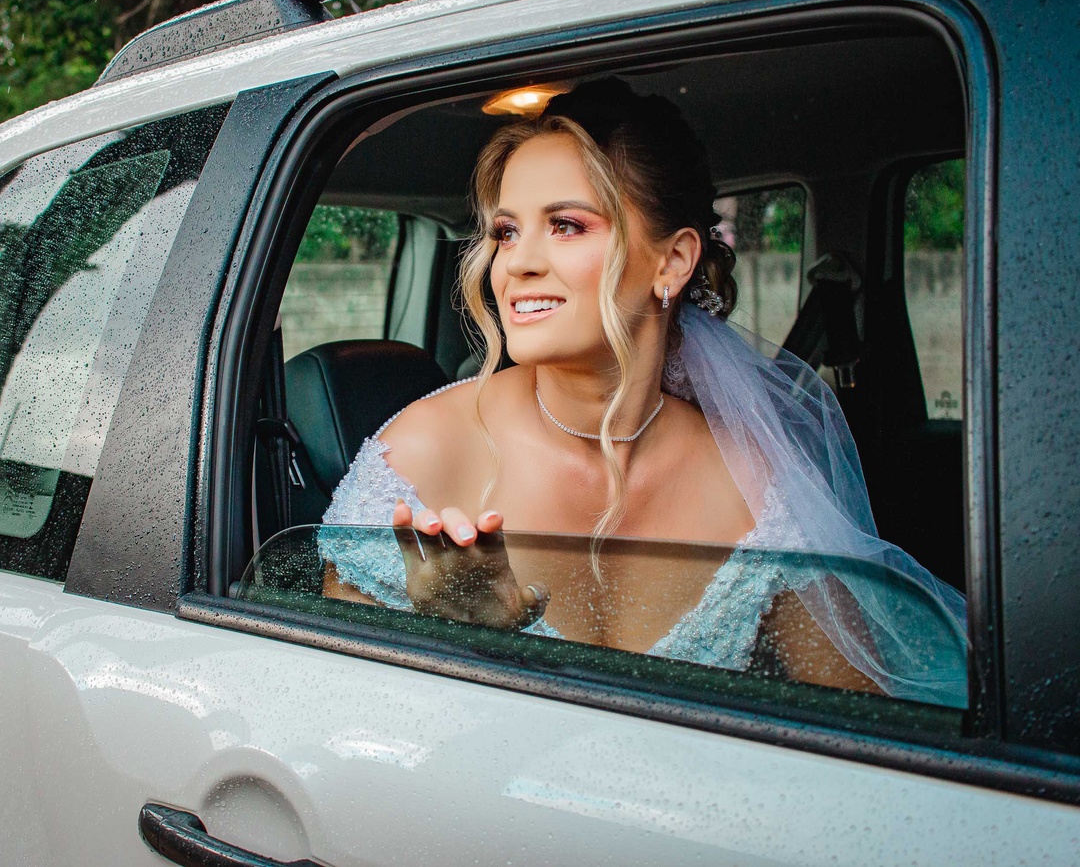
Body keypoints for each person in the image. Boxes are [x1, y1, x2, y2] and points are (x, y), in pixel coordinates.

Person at [315, 79, 967, 707]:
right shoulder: (420, 459)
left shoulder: (752, 486)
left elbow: (861, 730)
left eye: (566, 225)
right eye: (507, 232)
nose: (515, 263)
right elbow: (336, 724)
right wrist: (462, 646)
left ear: (673, 261)